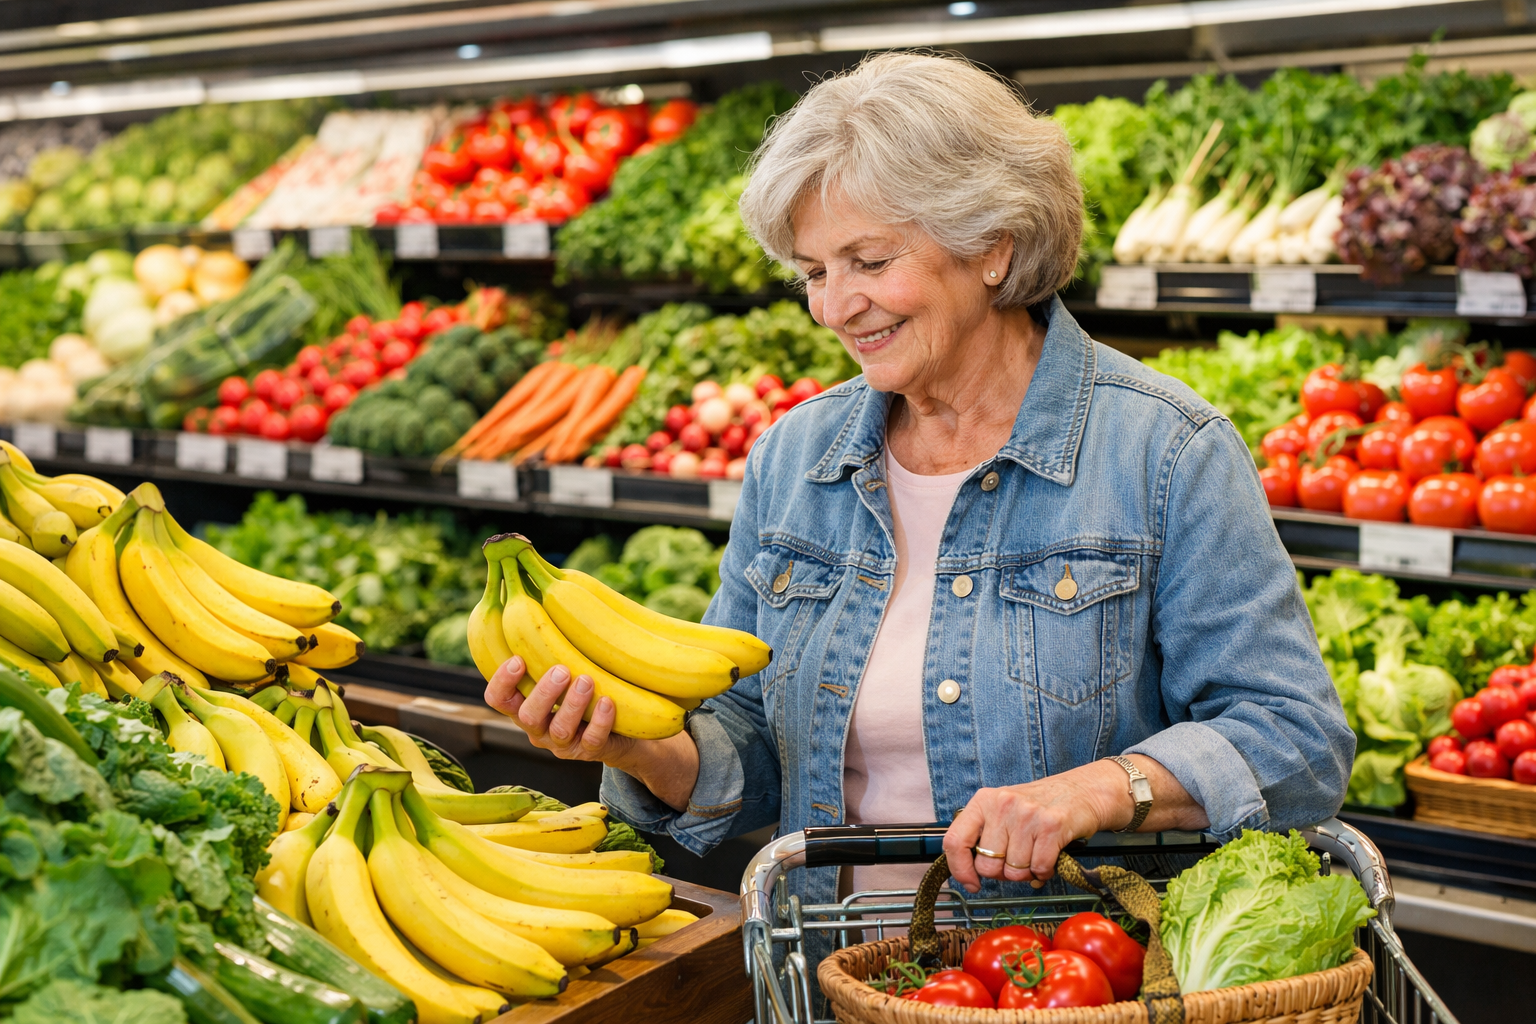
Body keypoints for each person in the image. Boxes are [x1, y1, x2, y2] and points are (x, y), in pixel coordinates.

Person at [485, 52, 1352, 912]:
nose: (834, 307)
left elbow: (1296, 740)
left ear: (992, 247)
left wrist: (1096, 791)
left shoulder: (1164, 452)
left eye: (868, 261)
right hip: (836, 970)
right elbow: (748, 748)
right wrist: (637, 747)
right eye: (815, 273)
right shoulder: (797, 457)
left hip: (1072, 981)